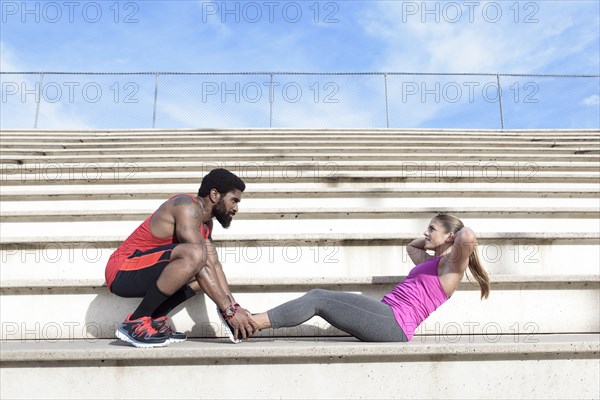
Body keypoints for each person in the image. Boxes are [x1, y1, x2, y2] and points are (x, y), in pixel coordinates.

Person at [248, 213, 490, 342]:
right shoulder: (431, 263)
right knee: (318, 298)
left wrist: (449, 240)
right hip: (385, 316)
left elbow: (467, 235)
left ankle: (250, 324)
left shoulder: (450, 268)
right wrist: (433, 241)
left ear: (450, 236)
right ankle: (251, 322)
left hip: (394, 323)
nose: (425, 232)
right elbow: (411, 247)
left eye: (431, 229)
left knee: (317, 298)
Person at [105, 168, 258, 348]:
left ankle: (154, 319)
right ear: (215, 194)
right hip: (123, 270)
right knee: (196, 255)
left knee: (204, 277)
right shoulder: (186, 206)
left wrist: (234, 306)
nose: (236, 208)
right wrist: (229, 311)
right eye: (234, 200)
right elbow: (201, 260)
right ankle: (135, 321)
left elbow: (214, 266)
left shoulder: (205, 223)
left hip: (144, 269)